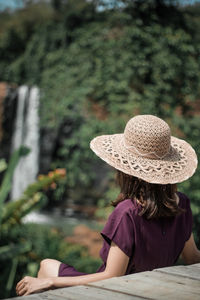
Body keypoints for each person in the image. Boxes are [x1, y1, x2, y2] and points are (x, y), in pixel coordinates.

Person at [16, 114, 200, 296]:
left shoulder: (128, 212)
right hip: (151, 291)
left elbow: (113, 276)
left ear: (126, 170)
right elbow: (193, 258)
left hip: (117, 293)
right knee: (48, 265)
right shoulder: (181, 204)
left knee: (46, 269)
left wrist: (50, 281)